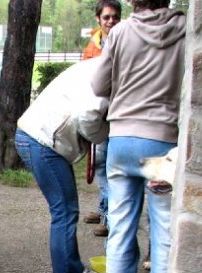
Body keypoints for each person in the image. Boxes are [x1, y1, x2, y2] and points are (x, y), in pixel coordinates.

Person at [91, 0, 185, 273]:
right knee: (162, 235)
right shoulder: (185, 31)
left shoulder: (121, 32)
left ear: (133, 1)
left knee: (119, 227)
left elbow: (99, 86)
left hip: (121, 141)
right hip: (162, 143)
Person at [15, 58, 109, 273]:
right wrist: (105, 133)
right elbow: (89, 118)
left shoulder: (98, 66)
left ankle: (71, 270)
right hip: (42, 141)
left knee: (65, 211)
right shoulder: (105, 73)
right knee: (65, 212)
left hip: (37, 137)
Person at [81, 0, 122, 237]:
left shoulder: (125, 41)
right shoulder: (93, 45)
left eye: (115, 17)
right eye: (106, 17)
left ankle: (107, 216)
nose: (111, 21)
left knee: (108, 165)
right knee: (99, 163)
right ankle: (102, 207)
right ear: (98, 19)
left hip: (117, 114)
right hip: (99, 113)